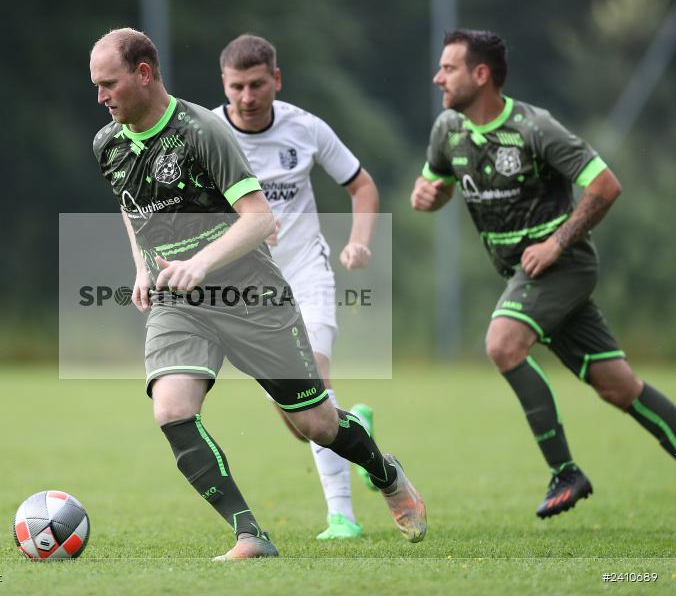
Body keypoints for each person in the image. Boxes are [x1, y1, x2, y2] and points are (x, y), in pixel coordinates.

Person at [90, 28, 426, 559]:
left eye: (109, 84)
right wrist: (140, 268)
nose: (102, 97)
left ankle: (385, 473)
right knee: (171, 409)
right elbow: (134, 207)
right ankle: (250, 534)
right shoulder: (107, 143)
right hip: (179, 302)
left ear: (144, 74)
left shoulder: (201, 131)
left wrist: (199, 263)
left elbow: (258, 218)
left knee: (315, 425)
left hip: (251, 293)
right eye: (97, 86)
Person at [412, 29, 676, 518]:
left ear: (481, 74)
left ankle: (564, 472)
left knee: (502, 343)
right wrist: (430, 196)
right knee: (619, 386)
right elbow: (436, 183)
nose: (437, 77)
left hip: (565, 266)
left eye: (448, 68)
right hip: (524, 274)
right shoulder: (447, 129)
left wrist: (555, 243)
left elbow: (605, 185)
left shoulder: (536, 128)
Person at [212, 34, 381, 540]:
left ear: (276, 80)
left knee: (315, 381)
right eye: (236, 86)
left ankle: (342, 517)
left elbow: (362, 185)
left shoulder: (304, 128)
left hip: (307, 272)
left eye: (257, 84)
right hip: (250, 288)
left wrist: (359, 242)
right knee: (301, 415)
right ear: (224, 84)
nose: (246, 96)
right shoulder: (209, 134)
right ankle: (358, 431)